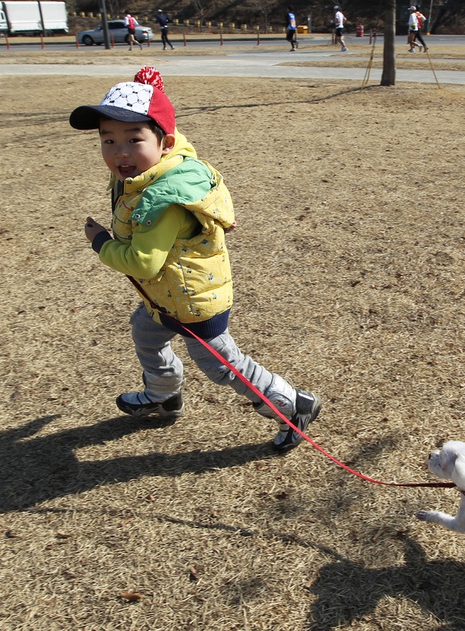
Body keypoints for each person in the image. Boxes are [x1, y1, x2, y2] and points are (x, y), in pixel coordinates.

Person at [69, 67, 323, 452]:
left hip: (192, 302)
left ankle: (294, 405)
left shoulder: (164, 199)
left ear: (165, 143)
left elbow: (143, 263)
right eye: (108, 140)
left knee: (224, 367)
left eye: (134, 139)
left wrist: (100, 241)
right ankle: (164, 394)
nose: (120, 151)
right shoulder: (144, 171)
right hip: (166, 297)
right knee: (146, 334)